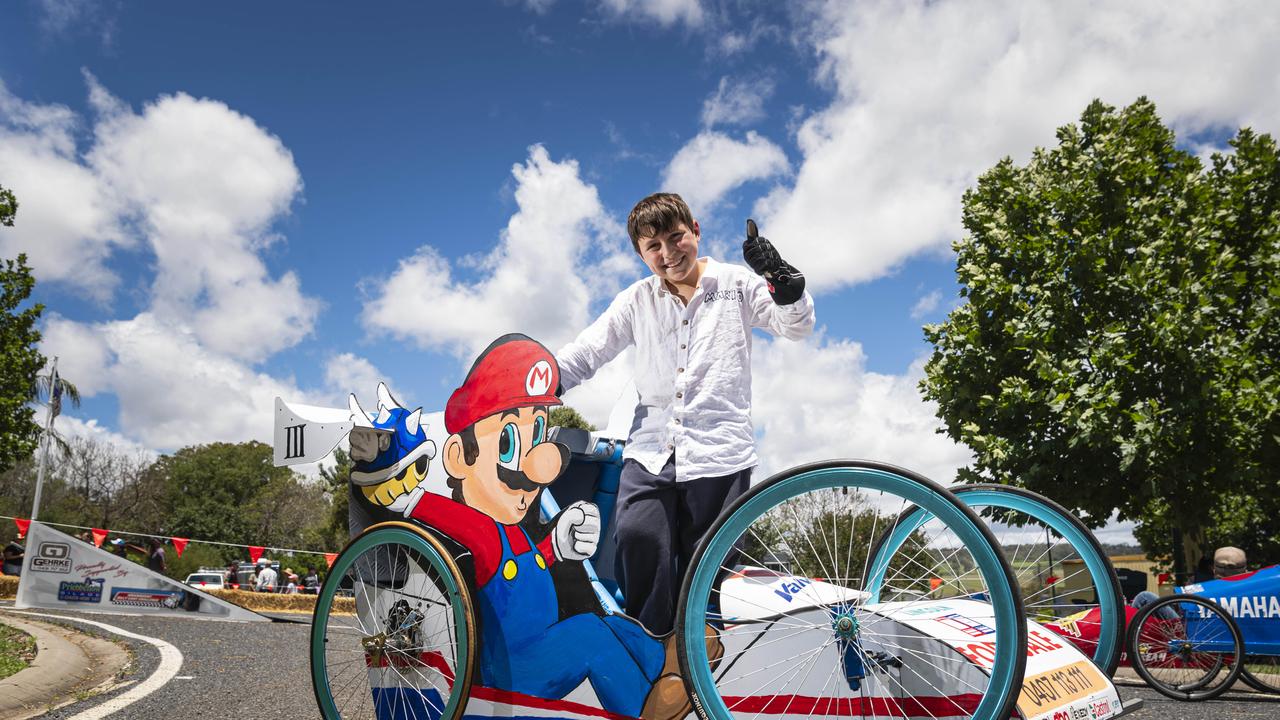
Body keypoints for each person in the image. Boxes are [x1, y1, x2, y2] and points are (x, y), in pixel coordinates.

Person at [555, 193, 815, 637]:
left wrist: (782, 281)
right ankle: (653, 652)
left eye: (676, 238)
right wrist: (536, 382)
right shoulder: (636, 300)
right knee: (637, 536)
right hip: (651, 450)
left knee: (707, 567)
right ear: (640, 253)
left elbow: (795, 326)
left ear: (695, 229)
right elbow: (586, 352)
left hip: (720, 451)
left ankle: (699, 657)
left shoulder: (736, 284)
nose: (668, 253)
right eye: (653, 247)